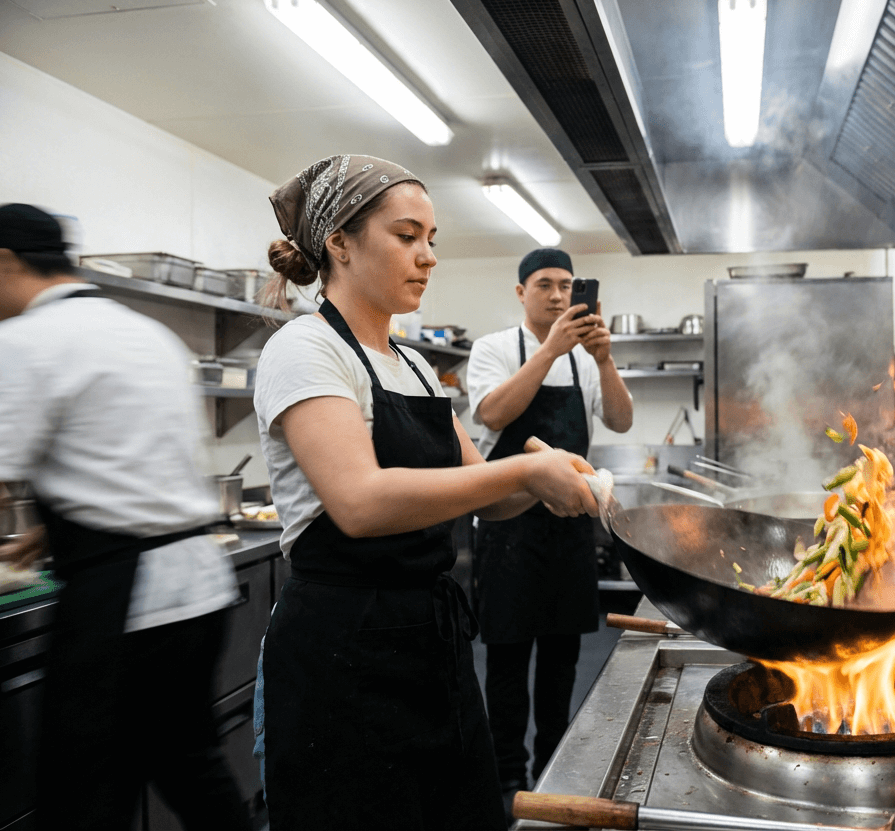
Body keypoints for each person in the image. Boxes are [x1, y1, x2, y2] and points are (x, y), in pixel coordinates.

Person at [251, 155, 598, 830]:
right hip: (342, 651)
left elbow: (482, 497)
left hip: (430, 647)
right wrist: (524, 471)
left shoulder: (411, 362)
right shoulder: (305, 349)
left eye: (431, 239)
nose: (428, 256)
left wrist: (548, 473)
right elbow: (360, 502)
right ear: (340, 245)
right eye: (407, 236)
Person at [0, 203, 250, 830]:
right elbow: (128, 471)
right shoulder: (142, 331)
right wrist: (40, 538)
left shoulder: (24, 341)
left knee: (81, 791)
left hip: (126, 601)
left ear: (4, 261)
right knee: (191, 767)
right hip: (197, 588)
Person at [466, 247, 633, 805]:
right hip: (506, 532)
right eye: (545, 285)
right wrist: (550, 349)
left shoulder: (587, 360)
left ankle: (555, 773)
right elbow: (493, 415)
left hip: (569, 533)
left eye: (567, 285)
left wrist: (604, 360)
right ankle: (506, 783)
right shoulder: (493, 348)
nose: (559, 295)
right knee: (507, 666)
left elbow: (621, 420)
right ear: (521, 292)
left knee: (561, 666)